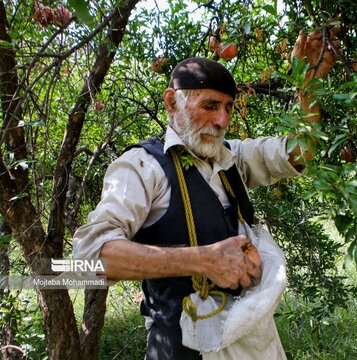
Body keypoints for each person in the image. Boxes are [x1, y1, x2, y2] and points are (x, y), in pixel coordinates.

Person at [73, 29, 339, 359]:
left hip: (249, 344)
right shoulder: (142, 167)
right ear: (172, 102)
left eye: (228, 107)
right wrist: (204, 259)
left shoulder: (232, 158)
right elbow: (88, 258)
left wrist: (308, 83)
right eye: (210, 105)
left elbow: (298, 152)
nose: (222, 119)